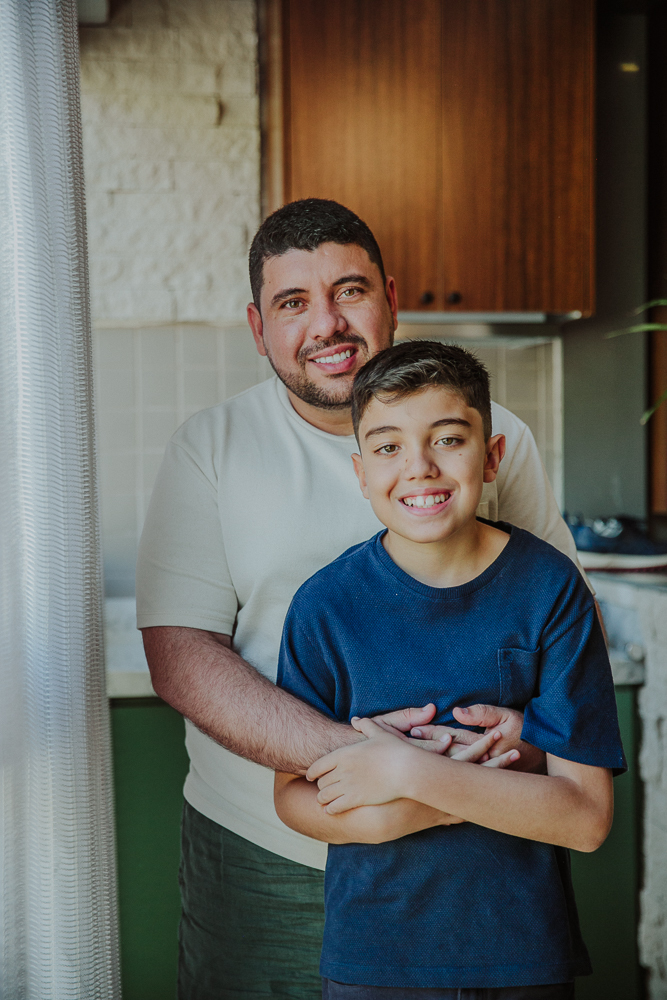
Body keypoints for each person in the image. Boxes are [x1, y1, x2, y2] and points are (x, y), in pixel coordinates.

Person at [136, 199, 591, 999]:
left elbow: (559, 617)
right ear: (257, 327)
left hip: (479, 856)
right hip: (266, 851)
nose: (327, 324)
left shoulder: (489, 438)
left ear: (390, 297)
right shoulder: (211, 449)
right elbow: (181, 657)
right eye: (293, 302)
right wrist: (366, 765)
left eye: (349, 291)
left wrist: (523, 744)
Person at [275, 340, 626, 1000]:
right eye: (388, 447)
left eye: (447, 439)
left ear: (491, 457)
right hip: (372, 959)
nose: (420, 467)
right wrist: (404, 811)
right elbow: (292, 795)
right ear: (360, 472)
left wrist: (408, 772)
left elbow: (585, 819)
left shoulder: (551, 591)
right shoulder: (324, 606)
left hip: (521, 955)